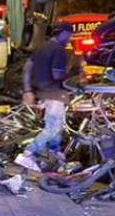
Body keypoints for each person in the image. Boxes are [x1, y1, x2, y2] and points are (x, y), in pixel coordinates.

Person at [19, 25, 74, 170]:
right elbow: (57, 75)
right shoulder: (59, 50)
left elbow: (26, 68)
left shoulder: (41, 48)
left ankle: (54, 153)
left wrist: (27, 89)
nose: (70, 38)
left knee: (57, 127)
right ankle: (28, 153)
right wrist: (73, 75)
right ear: (62, 33)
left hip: (42, 92)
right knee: (52, 127)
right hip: (54, 93)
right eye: (69, 35)